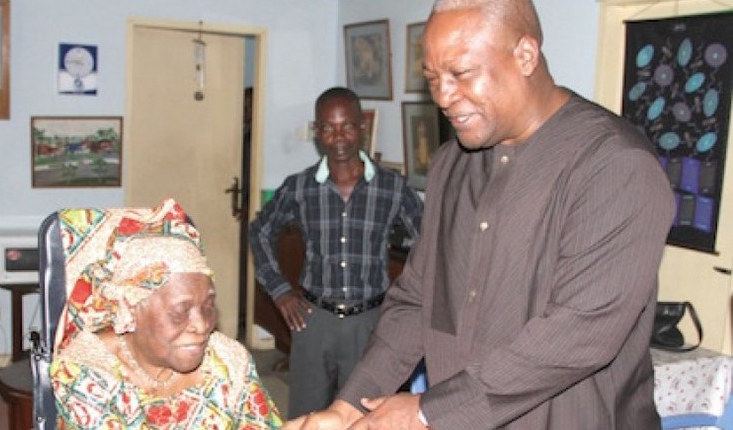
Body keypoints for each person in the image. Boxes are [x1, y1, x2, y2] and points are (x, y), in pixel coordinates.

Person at [285, 1, 674, 429]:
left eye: (461, 74)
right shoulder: (454, 163)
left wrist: (427, 411)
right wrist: (348, 409)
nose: (443, 97)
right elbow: (417, 300)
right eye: (432, 79)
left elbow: (579, 334)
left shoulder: (613, 165)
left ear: (525, 55)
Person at [249, 87, 423, 418]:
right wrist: (279, 290)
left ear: (362, 128)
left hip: (371, 325)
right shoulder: (300, 187)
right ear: (317, 132)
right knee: (307, 415)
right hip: (313, 322)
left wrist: (407, 299)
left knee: (367, 415)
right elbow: (260, 230)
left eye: (347, 126)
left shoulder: (392, 187)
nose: (338, 137)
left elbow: (429, 241)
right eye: (328, 127)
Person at [50, 199, 282, 429]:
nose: (202, 325)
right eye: (180, 311)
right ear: (129, 308)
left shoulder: (229, 359)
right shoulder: (86, 373)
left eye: (208, 306)